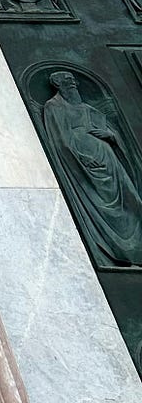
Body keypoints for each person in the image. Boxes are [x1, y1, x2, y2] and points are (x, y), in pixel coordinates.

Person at [41, 70, 142, 266]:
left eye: (72, 80)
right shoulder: (54, 107)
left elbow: (111, 133)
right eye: (67, 81)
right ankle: (117, 249)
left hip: (110, 162)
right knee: (101, 203)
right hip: (86, 166)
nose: (72, 83)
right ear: (58, 85)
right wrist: (82, 159)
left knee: (130, 198)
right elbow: (61, 139)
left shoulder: (89, 109)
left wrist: (110, 137)